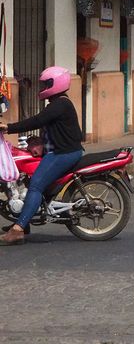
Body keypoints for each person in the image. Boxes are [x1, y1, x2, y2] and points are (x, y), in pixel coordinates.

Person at [0, 66, 83, 245]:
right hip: (60, 150)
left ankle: (18, 230)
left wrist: (9, 128)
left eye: (46, 84)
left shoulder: (59, 104)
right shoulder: (59, 103)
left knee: (36, 186)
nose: (43, 87)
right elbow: (50, 128)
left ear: (56, 84)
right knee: (29, 180)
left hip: (64, 153)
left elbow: (37, 120)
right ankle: (23, 220)